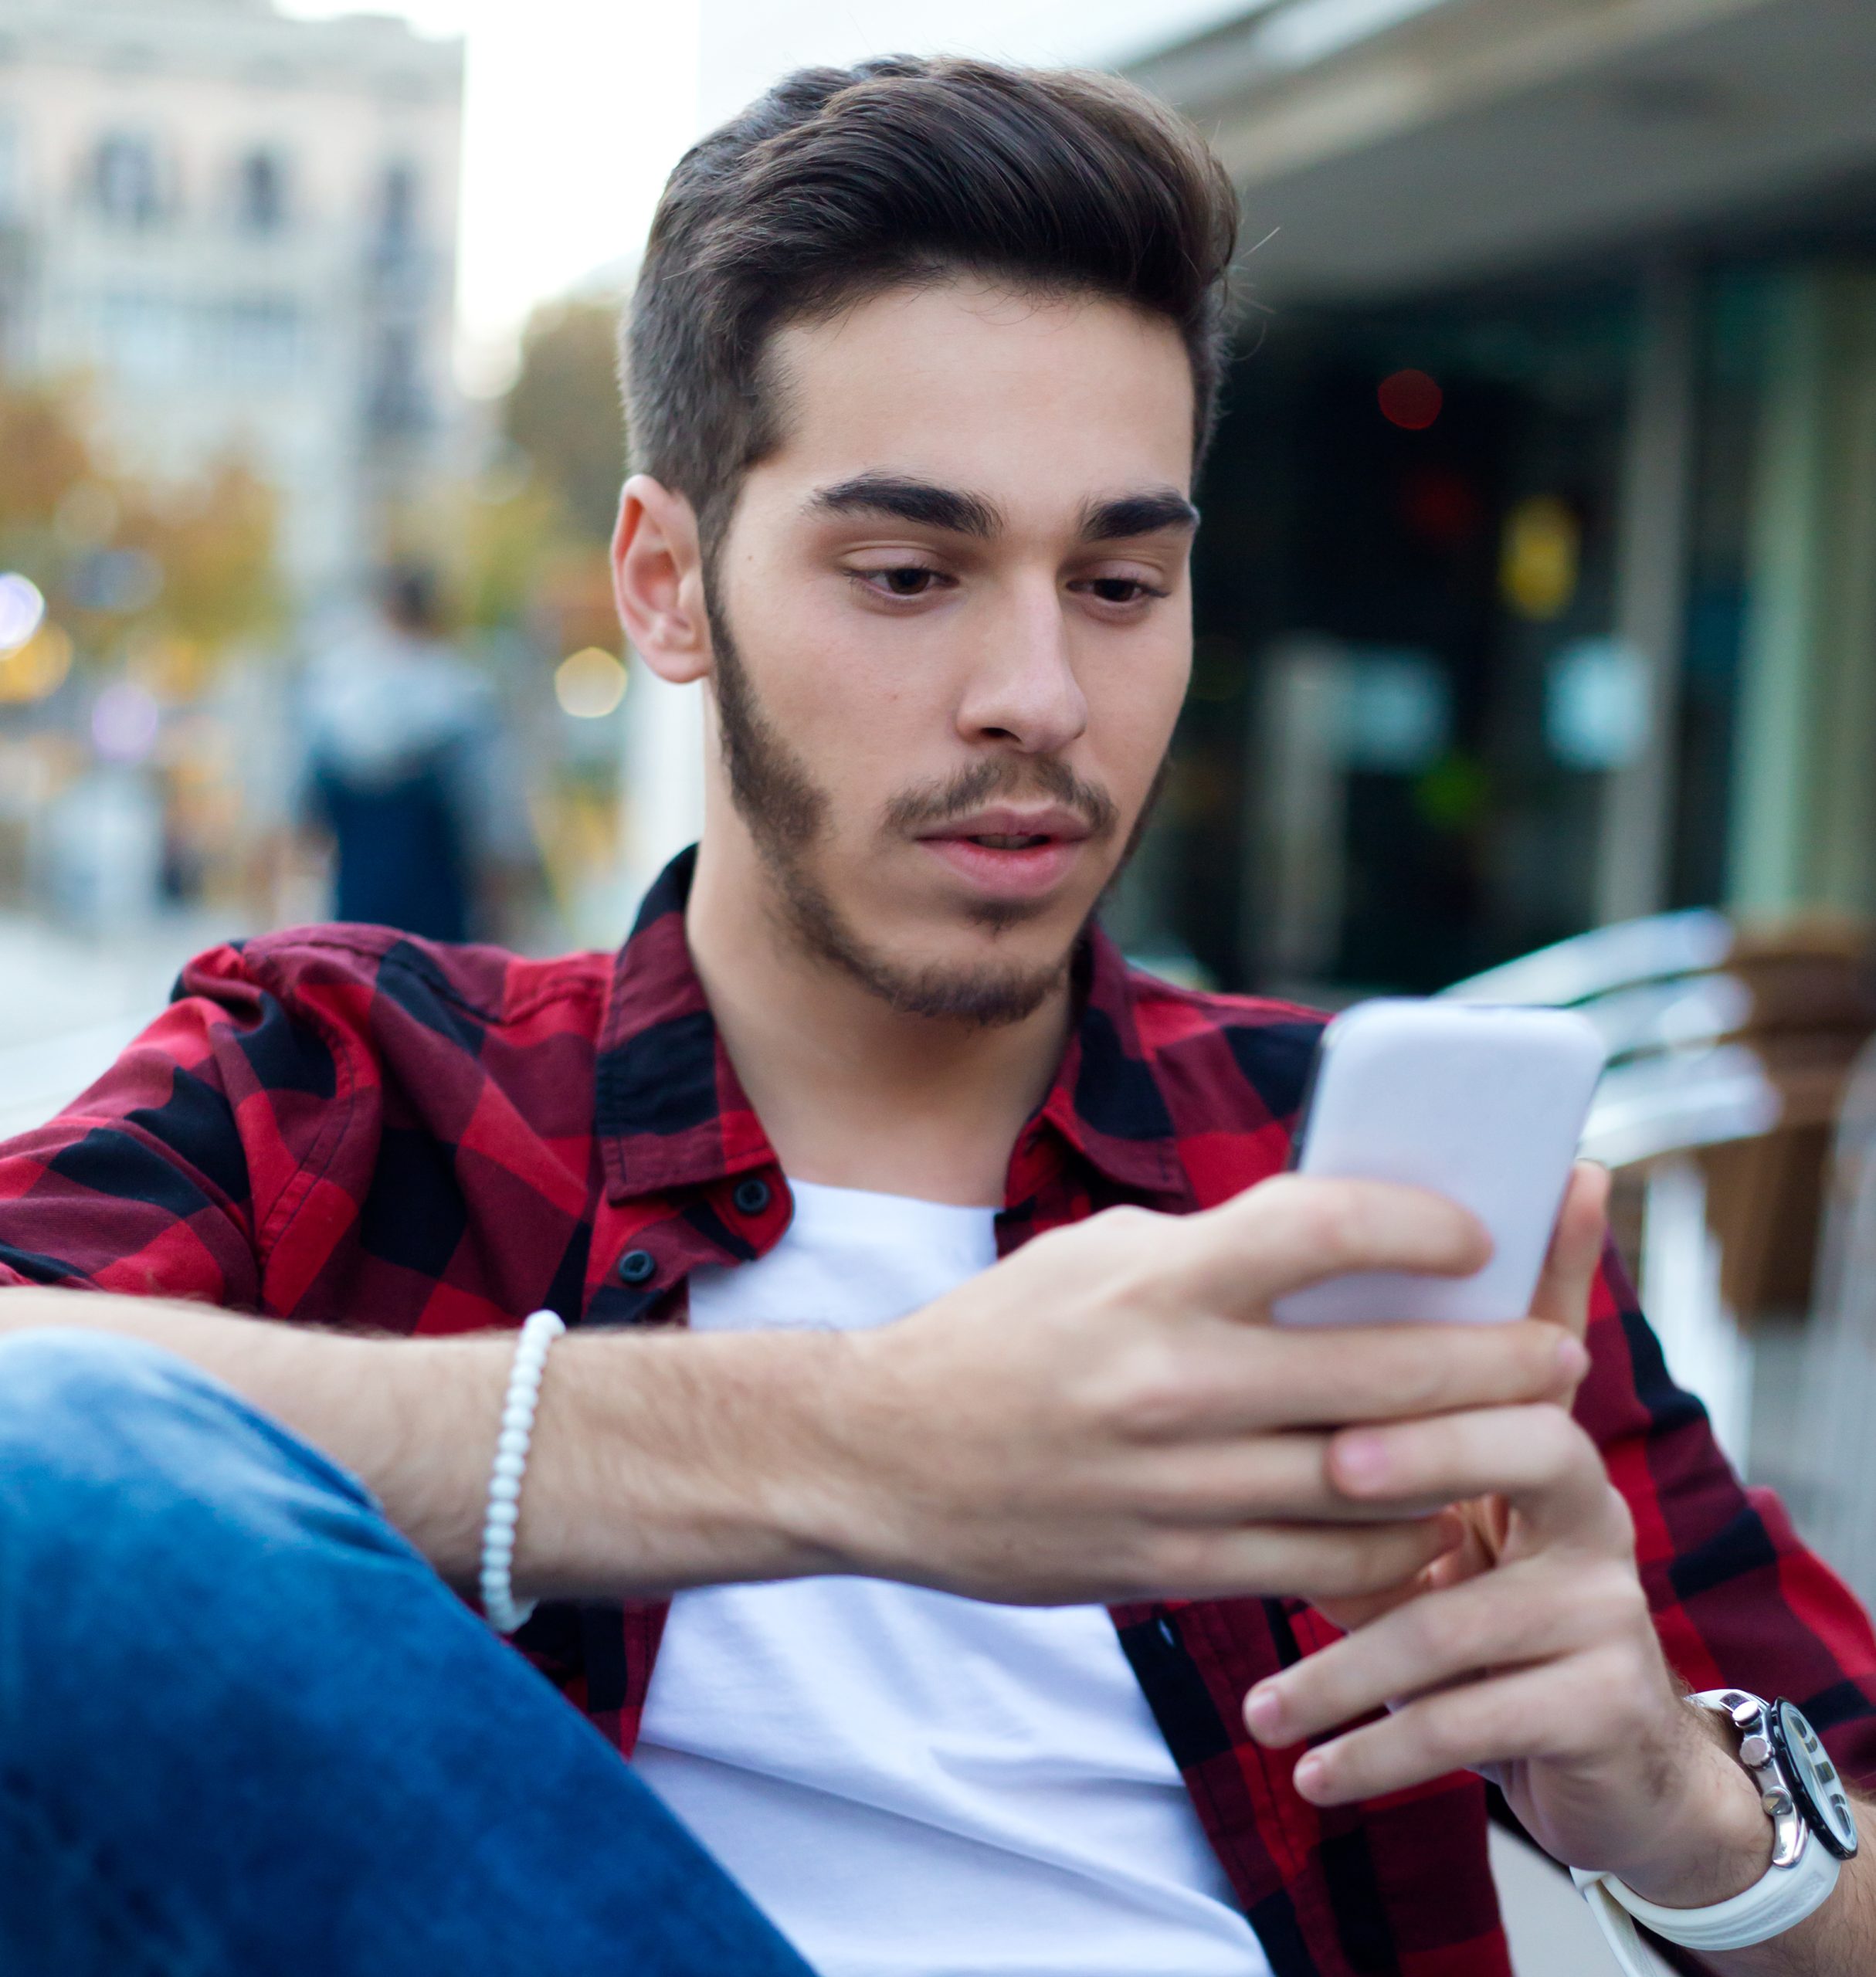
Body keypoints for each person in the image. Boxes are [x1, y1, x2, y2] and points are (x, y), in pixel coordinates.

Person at [0, 56, 1871, 1977]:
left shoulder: (1338, 1176)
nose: (1040, 693)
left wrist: (1675, 1799)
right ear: (668, 583)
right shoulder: (354, 1079)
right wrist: (847, 1441)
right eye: (909, 573)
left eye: (1123, 579)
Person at [295, 564, 528, 943]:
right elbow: (489, 826)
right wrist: (502, 918)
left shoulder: (332, 694)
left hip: (355, 906)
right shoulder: (463, 694)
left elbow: (302, 818)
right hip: (440, 912)